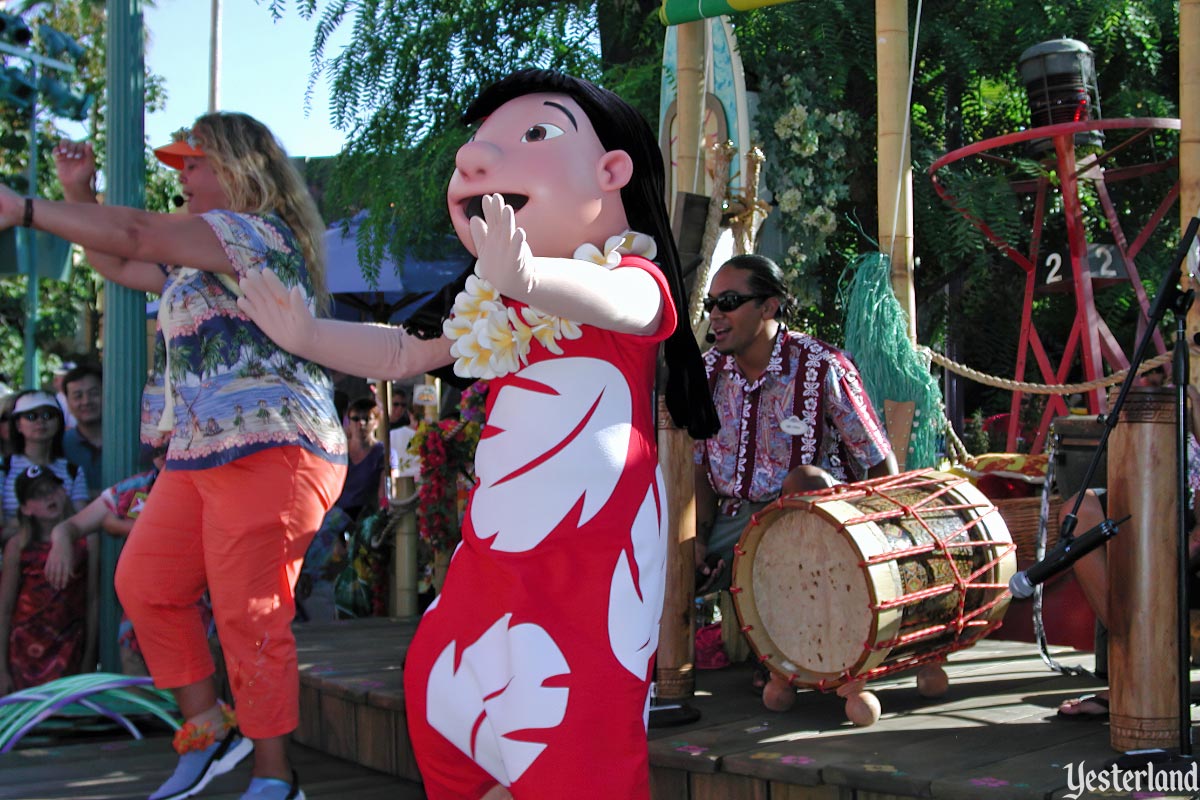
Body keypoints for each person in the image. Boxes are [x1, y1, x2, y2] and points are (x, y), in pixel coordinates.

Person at [238, 69, 718, 800]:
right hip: (489, 573)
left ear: (612, 171)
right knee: (445, 712)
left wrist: (529, 278)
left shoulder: (633, 279)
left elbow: (617, 303)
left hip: (585, 578)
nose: (474, 161)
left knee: (575, 747)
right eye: (476, 147)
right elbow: (405, 352)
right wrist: (306, 332)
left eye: (533, 135)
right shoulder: (498, 310)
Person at [0, 113, 351, 800]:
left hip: (274, 449)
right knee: (148, 586)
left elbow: (136, 233)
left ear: (239, 169)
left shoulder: (259, 234)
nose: (181, 176)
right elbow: (116, 259)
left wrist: (27, 209)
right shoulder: (197, 261)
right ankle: (208, 729)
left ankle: (277, 780)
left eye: (194, 163)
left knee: (250, 613)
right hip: (199, 456)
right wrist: (78, 194)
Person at [694, 253, 897, 595]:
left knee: (805, 479)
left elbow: (878, 461)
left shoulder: (823, 367)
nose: (715, 315)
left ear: (769, 307)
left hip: (815, 522)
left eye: (728, 302)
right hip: (734, 520)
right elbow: (697, 469)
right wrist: (696, 543)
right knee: (668, 568)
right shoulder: (705, 374)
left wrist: (884, 541)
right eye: (710, 303)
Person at [1055, 366, 1200, 720]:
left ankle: (1136, 675)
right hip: (1163, 503)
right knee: (1080, 511)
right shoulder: (1184, 393)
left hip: (1192, 519)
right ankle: (1135, 664)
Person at [0, 466, 96, 694]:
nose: (48, 496)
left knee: (66, 715)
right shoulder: (18, 546)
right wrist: (1, 669)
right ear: (25, 508)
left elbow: (94, 601)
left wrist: (89, 659)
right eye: (37, 494)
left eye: (53, 488)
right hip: (23, 648)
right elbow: (4, 609)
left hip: (69, 645)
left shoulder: (86, 542)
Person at [1, 390, 91, 522]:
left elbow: (82, 523)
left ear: (59, 422)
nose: (40, 421)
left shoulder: (73, 471)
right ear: (18, 425)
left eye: (48, 415)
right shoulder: (3, 467)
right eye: (31, 416)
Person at [336, 395, 389, 522]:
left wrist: (383, 515)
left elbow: (384, 491)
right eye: (355, 419)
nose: (361, 423)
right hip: (337, 513)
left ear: (376, 422)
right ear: (348, 422)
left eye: (367, 419)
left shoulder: (382, 452)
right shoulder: (338, 450)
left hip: (366, 515)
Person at [60, 363, 104, 497]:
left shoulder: (132, 440)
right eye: (78, 396)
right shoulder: (60, 444)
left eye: (94, 394)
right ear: (67, 402)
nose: (86, 401)